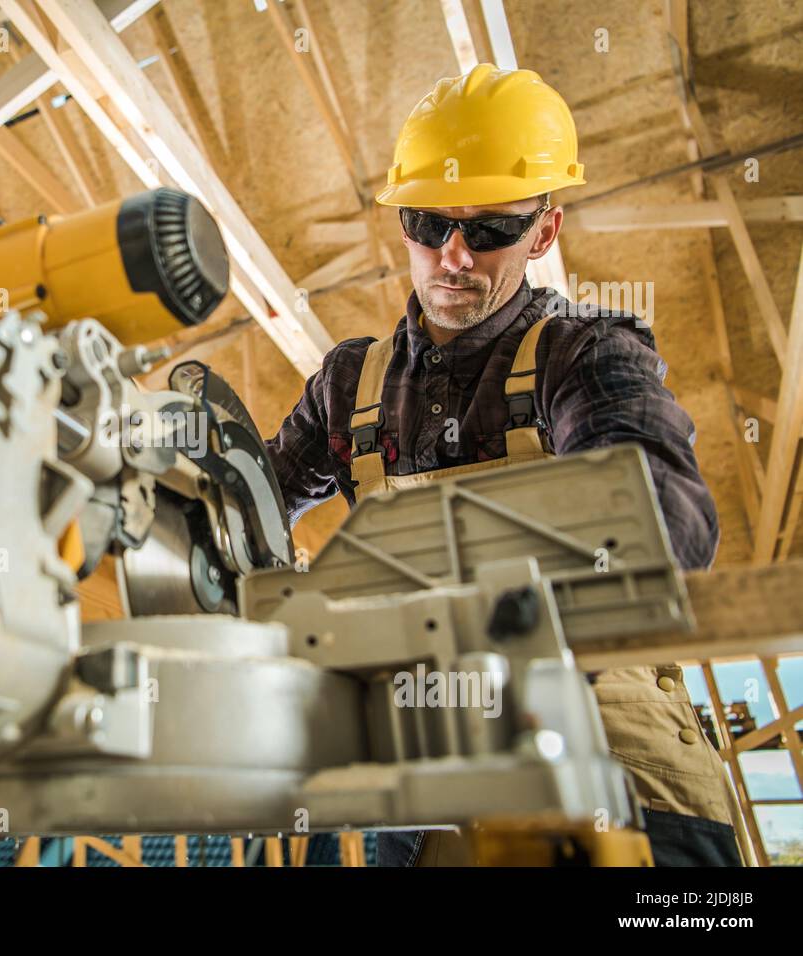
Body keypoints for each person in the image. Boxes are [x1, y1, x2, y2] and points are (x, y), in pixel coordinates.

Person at [265, 64, 740, 866]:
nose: (453, 255)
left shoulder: (583, 355)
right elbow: (248, 502)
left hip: (613, 765)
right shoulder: (351, 384)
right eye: (427, 223)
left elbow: (667, 520)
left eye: (488, 231)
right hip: (420, 781)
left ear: (543, 234)